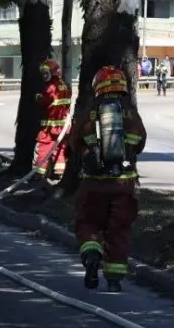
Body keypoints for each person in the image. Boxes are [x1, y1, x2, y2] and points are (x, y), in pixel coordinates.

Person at [73, 65, 147, 293]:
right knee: (119, 231)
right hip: (123, 185)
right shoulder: (130, 114)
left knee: (87, 222)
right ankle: (114, 279)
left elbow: (75, 143)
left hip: (94, 184)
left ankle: (92, 254)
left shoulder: (89, 113)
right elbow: (140, 142)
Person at [34, 58, 72, 181]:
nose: (44, 76)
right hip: (63, 128)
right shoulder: (64, 86)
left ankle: (39, 173)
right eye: (43, 74)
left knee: (44, 149)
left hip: (50, 127)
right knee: (60, 148)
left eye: (47, 73)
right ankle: (59, 171)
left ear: (53, 72)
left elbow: (45, 101)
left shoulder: (50, 87)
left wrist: (38, 97)